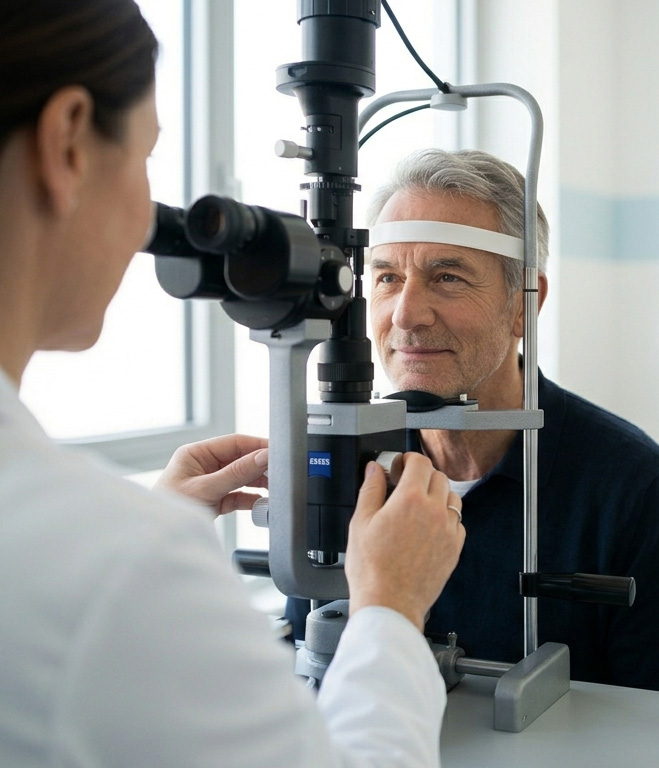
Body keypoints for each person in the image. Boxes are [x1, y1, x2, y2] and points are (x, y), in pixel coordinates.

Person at [0, 3, 466, 765]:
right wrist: (389, 608)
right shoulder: (117, 562)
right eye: (147, 155)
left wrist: (148, 531)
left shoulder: (97, 548)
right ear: (67, 145)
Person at [288, 149, 659, 696]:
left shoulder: (631, 486)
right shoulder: (343, 464)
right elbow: (301, 667)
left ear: (523, 304)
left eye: (447, 277)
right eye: (388, 277)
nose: (405, 314)